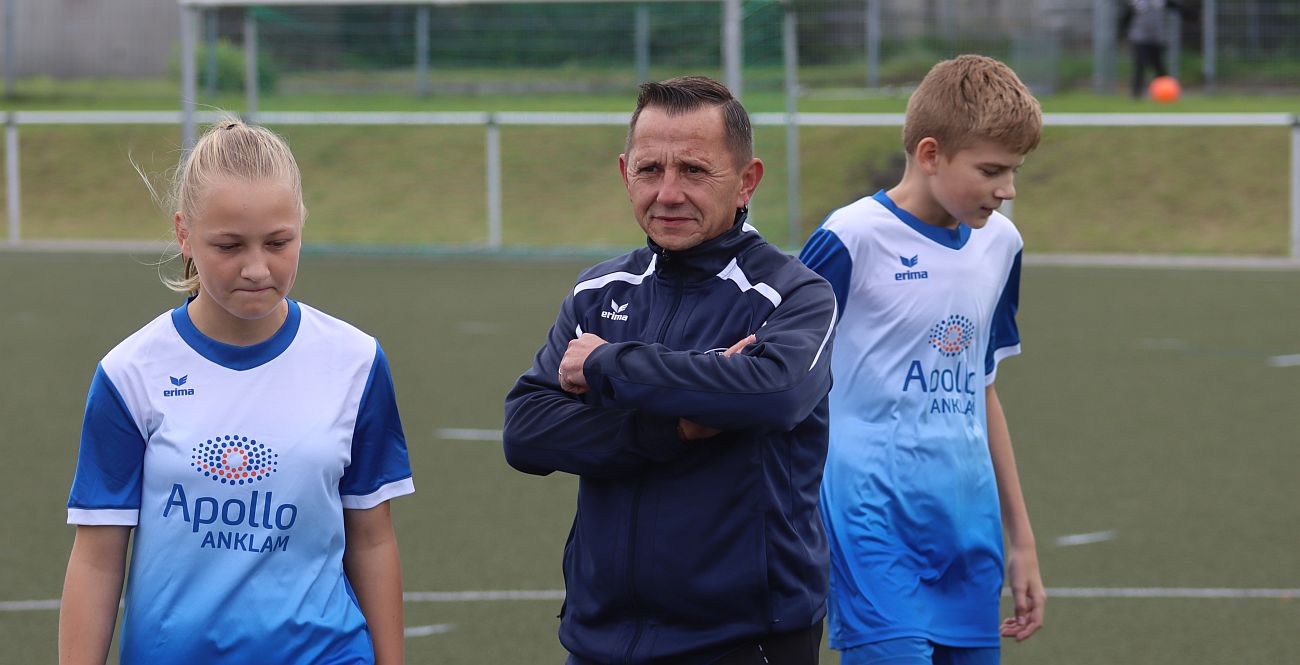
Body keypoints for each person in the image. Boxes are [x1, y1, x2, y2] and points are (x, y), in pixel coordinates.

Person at [503, 75, 838, 665]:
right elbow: (527, 431)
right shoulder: (597, 291)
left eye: (694, 170)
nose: (668, 193)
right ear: (624, 173)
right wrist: (676, 424)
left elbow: (774, 393)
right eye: (650, 170)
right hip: (599, 638)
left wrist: (608, 362)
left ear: (746, 181)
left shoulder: (794, 294)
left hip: (744, 640)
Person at [59, 117, 414, 665]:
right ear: (183, 234)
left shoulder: (356, 362)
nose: (256, 268)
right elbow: (98, 558)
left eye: (278, 242)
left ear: (302, 226)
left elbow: (371, 537)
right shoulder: (131, 374)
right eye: (229, 245)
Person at [798, 55, 1045, 665]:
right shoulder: (851, 237)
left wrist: (1023, 541)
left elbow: (980, 389)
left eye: (1014, 171)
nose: (1007, 188)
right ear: (930, 154)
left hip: (967, 525)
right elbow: (781, 380)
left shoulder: (1002, 245)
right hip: (869, 520)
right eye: (991, 170)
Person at [1119, 0, 1193, 98]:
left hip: (1156, 39)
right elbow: (1125, 18)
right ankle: (1136, 94)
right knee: (1139, 66)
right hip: (1139, 39)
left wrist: (1196, 16)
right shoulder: (1136, 2)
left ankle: (1166, 93)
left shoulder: (1160, 2)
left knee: (1160, 68)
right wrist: (1120, 36)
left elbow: (1178, 8)